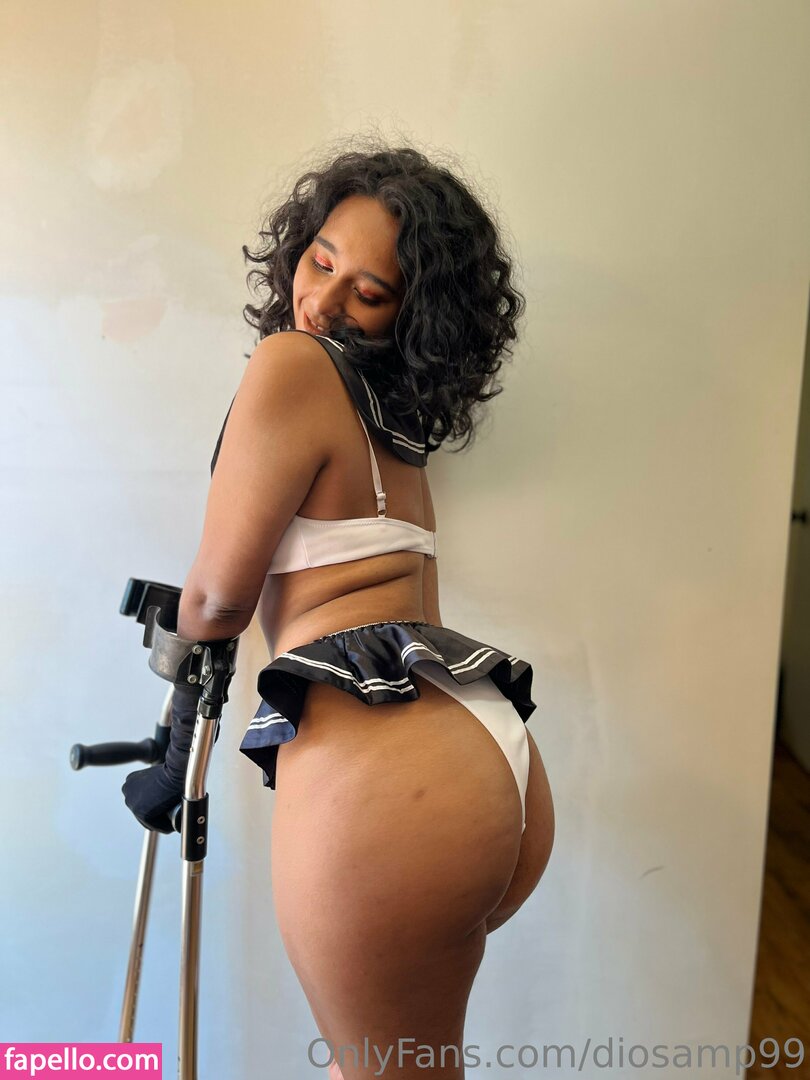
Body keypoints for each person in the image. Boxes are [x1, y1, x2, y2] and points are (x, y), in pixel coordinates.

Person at [123, 141, 555, 1079]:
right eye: (321, 261)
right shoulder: (394, 421)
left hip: (393, 791)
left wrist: (173, 740)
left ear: (411, 313)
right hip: (486, 760)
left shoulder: (292, 364)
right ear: (298, 245)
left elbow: (217, 596)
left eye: (367, 291)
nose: (321, 302)